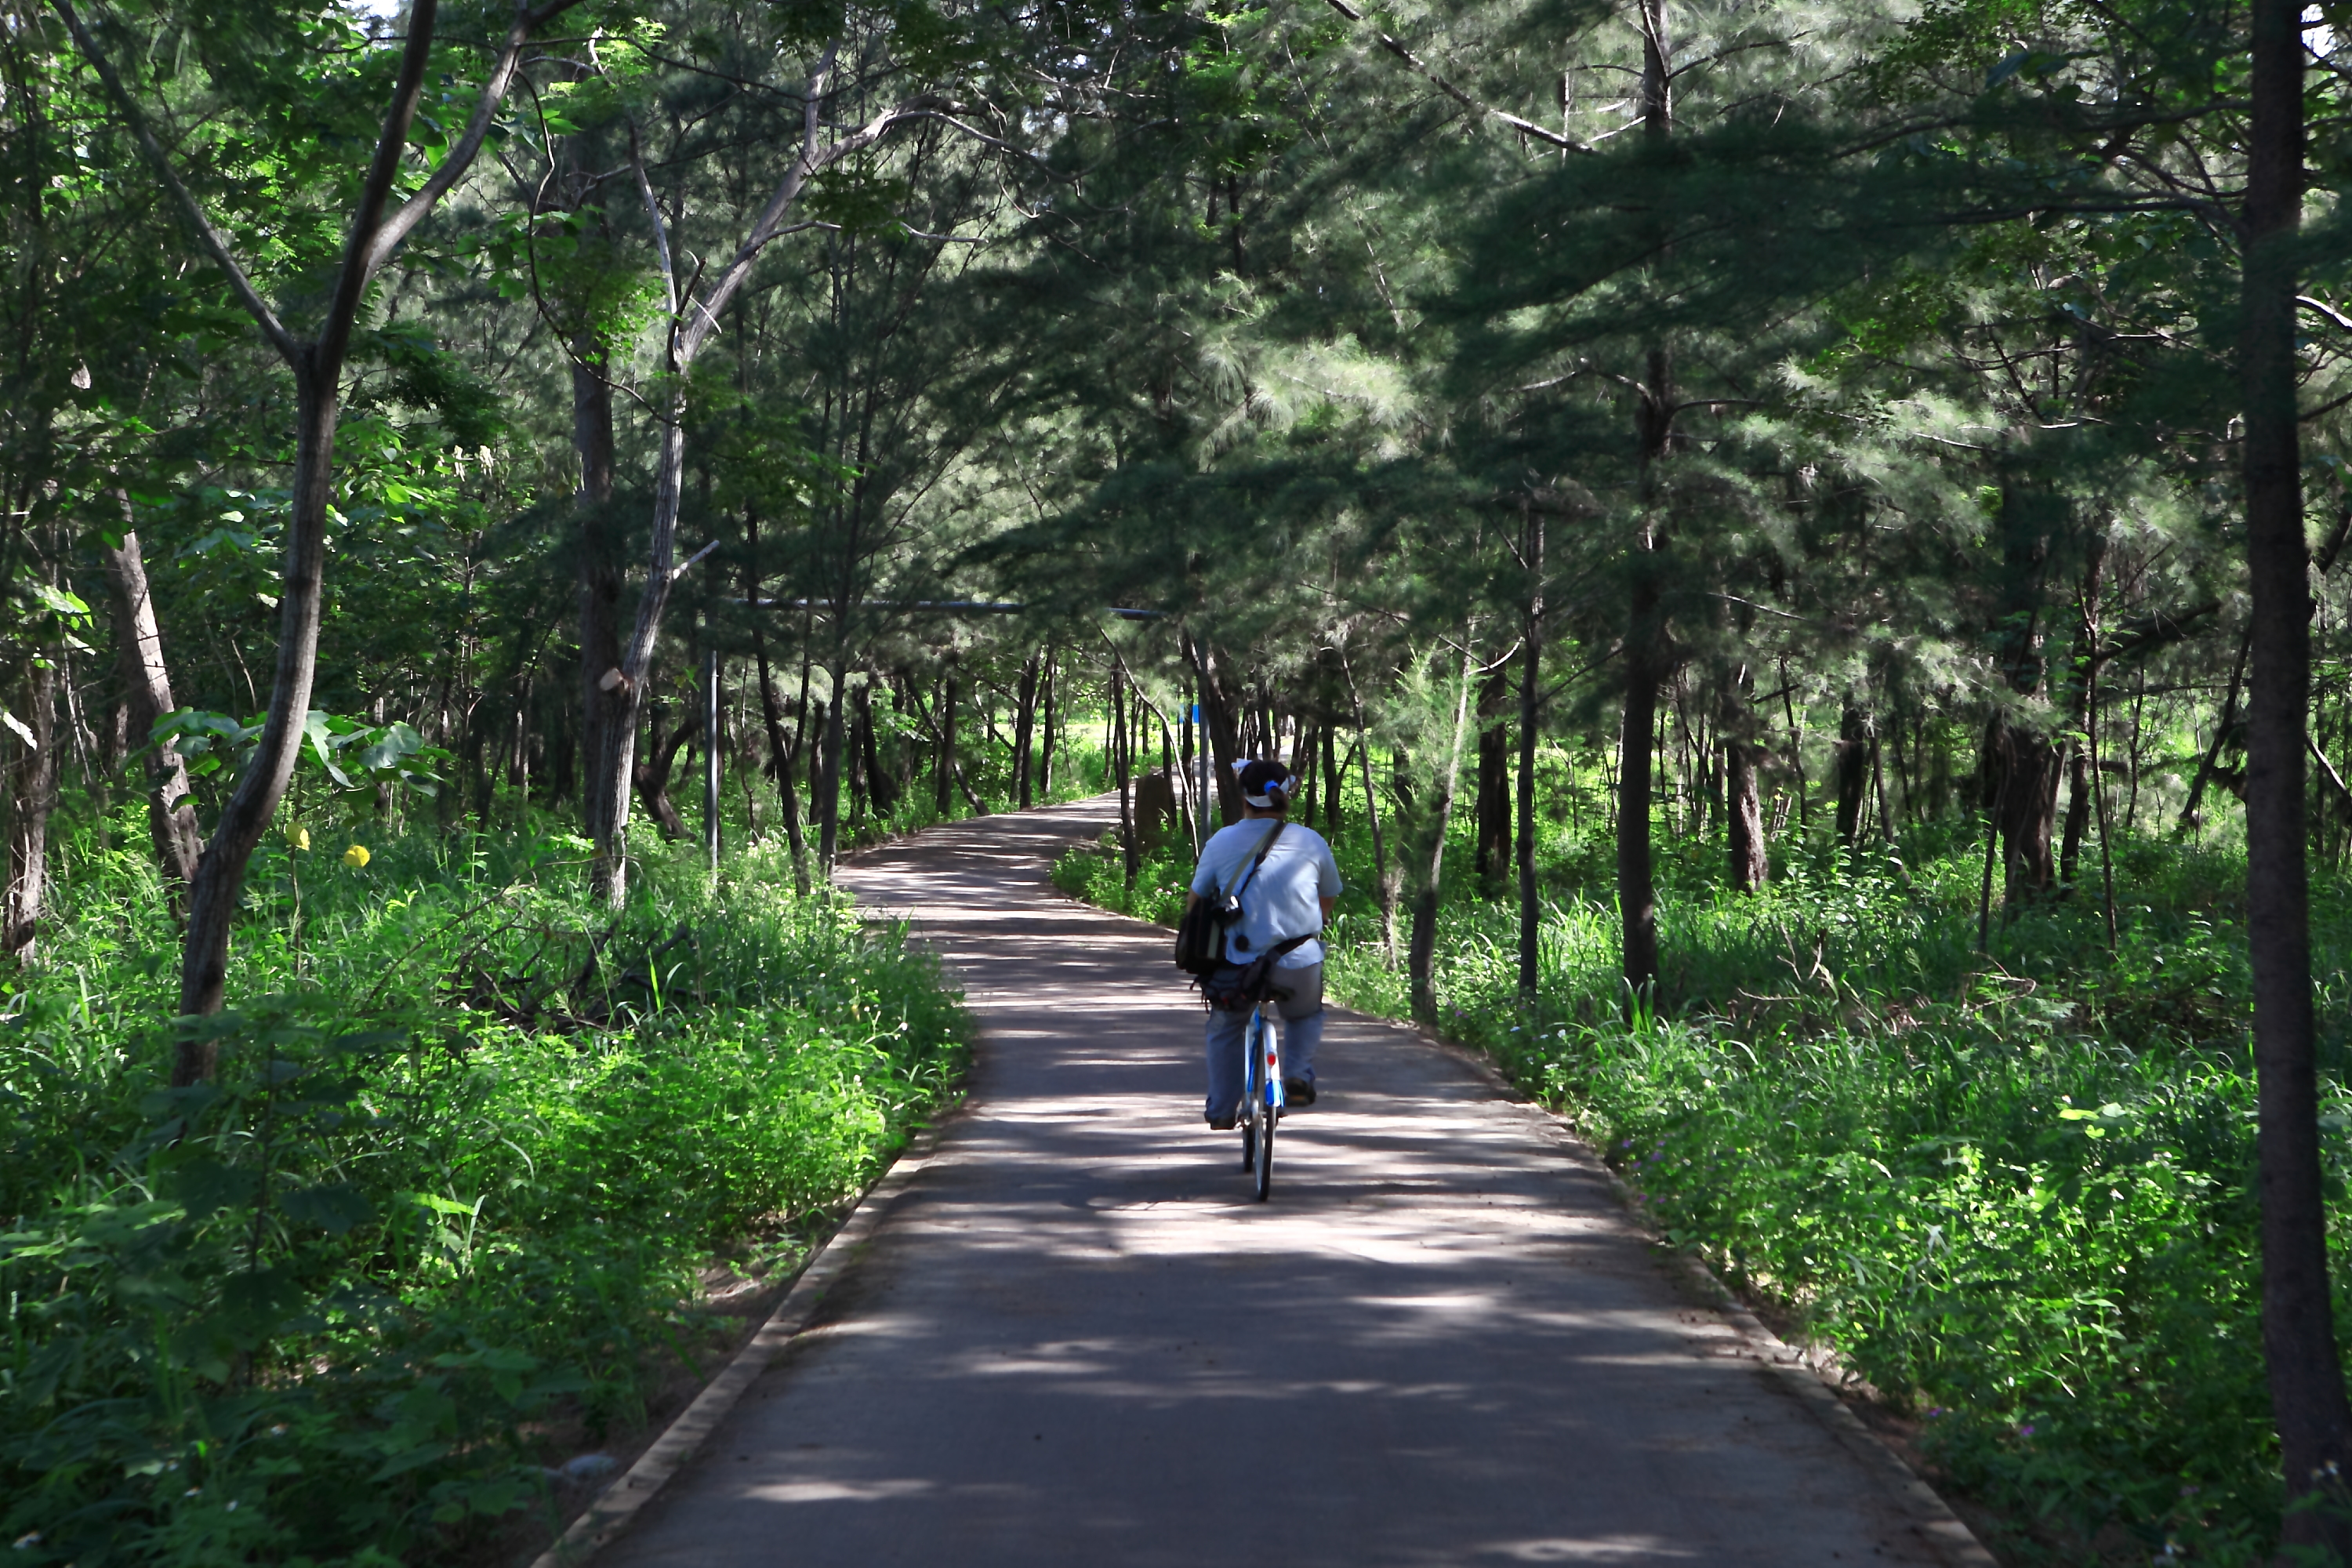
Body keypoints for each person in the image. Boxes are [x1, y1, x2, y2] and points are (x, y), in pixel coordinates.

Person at [1185, 758, 1342, 1130]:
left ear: (1244, 798)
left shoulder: (1221, 841)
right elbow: (1328, 898)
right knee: (1304, 1014)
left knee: (1226, 1025)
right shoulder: (1311, 840)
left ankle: (1223, 1108)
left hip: (1239, 966)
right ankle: (1299, 1074)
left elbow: (1195, 905)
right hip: (1299, 962)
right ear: (1285, 795)